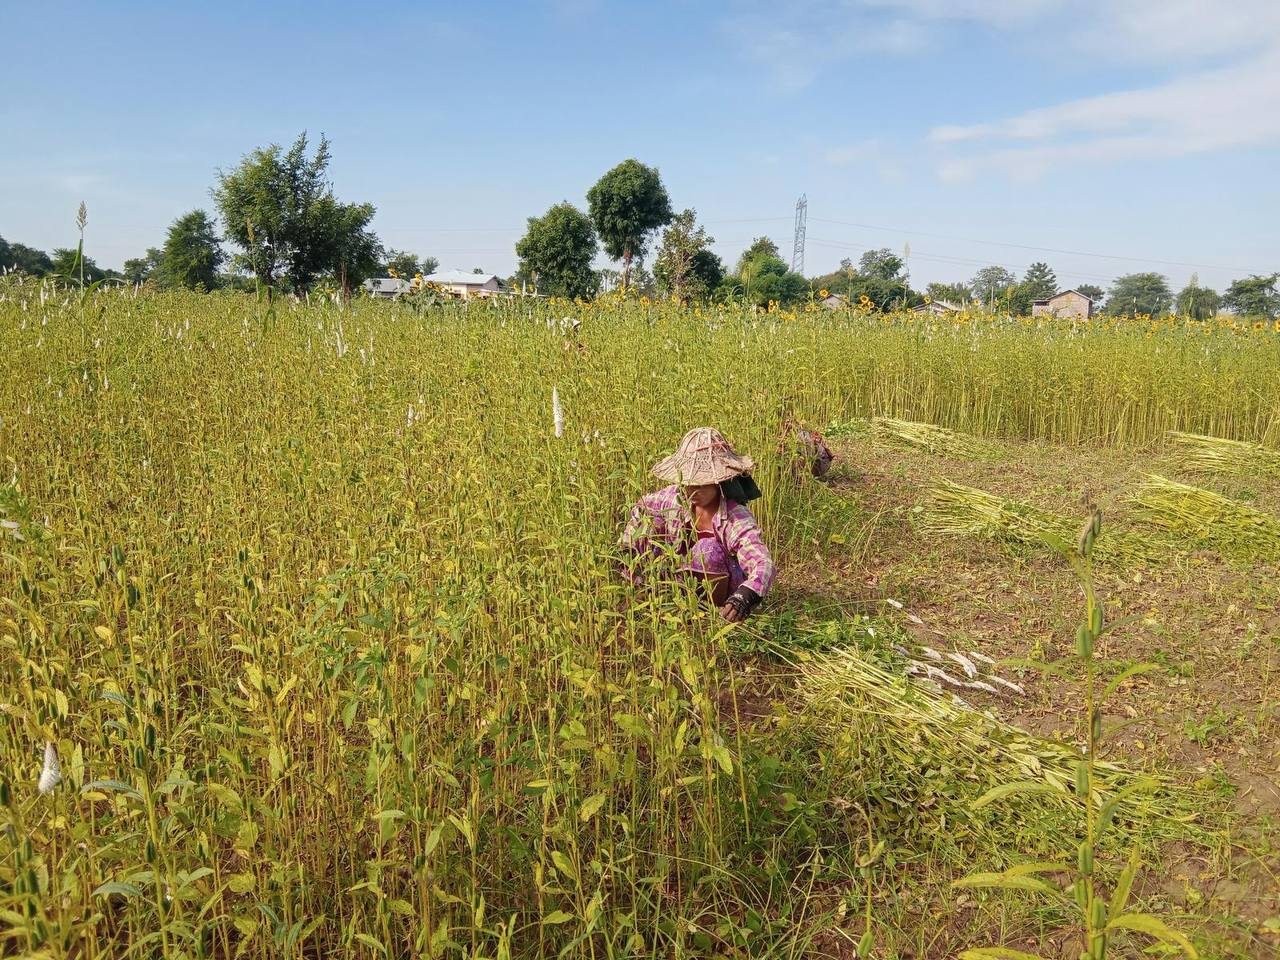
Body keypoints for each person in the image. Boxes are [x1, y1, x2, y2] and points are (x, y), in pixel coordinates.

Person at [621, 427, 776, 622]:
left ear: (718, 482)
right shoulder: (673, 499)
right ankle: (651, 601)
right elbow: (642, 509)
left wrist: (745, 596)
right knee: (649, 524)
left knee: (706, 550)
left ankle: (715, 618)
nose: (694, 490)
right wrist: (628, 548)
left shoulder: (734, 516)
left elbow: (762, 563)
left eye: (702, 484)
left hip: (725, 589)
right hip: (680, 579)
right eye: (689, 483)